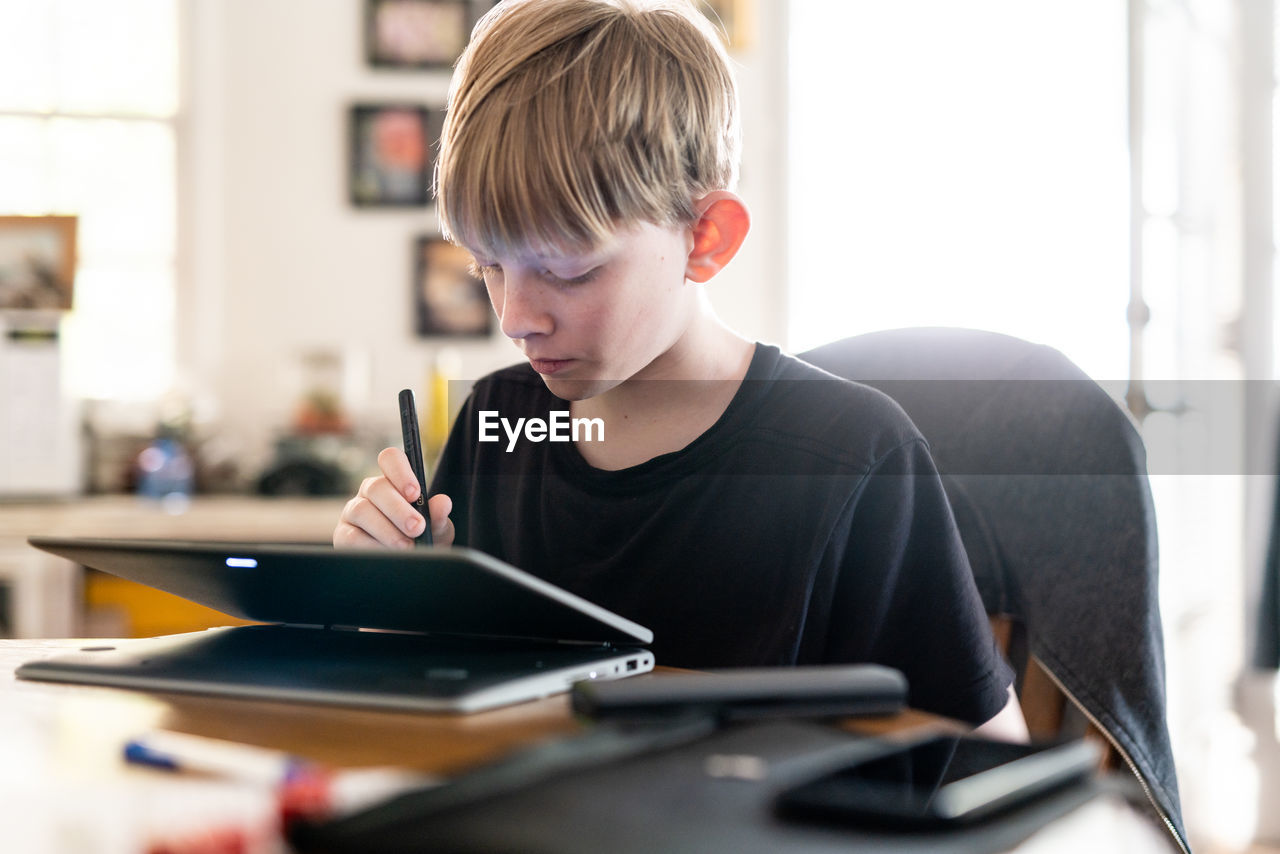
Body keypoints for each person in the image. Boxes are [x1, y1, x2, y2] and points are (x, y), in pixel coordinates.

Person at [334, 0, 1027, 739]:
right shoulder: (497, 422)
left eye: (569, 271)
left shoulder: (851, 454)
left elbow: (986, 751)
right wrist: (391, 608)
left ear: (706, 237)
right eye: (488, 266)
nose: (515, 317)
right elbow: (452, 705)